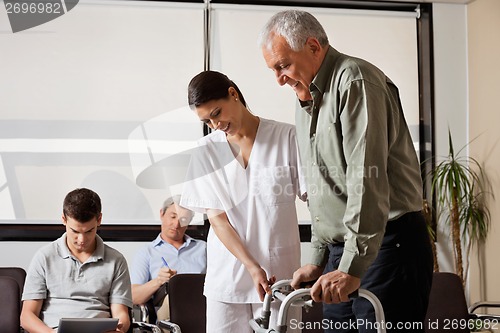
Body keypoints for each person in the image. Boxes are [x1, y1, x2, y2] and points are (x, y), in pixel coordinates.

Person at [259, 10, 433, 333]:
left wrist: (352, 265)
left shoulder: (355, 81)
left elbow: (366, 182)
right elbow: (322, 188)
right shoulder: (306, 99)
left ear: (313, 47)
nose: (279, 79)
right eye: (274, 70)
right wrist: (318, 257)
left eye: (283, 66)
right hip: (347, 250)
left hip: (388, 247)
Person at [180, 70, 306, 333]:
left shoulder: (288, 138)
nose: (216, 125)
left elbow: (316, 200)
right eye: (207, 121)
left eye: (216, 114)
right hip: (228, 276)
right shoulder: (206, 151)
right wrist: (252, 266)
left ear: (233, 94)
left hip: (280, 275)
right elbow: (218, 219)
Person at [20, 188, 132, 333]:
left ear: (99, 220)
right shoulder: (44, 257)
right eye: (75, 231)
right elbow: (27, 316)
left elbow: (121, 313)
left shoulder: (116, 260)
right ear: (63, 220)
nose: (82, 240)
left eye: (89, 231)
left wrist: (119, 329)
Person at [130, 194, 207, 320]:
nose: (176, 224)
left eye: (183, 220)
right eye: (173, 216)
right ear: (162, 214)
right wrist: (158, 281)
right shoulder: (146, 252)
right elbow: (134, 297)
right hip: (169, 313)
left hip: (201, 307)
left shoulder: (204, 249)